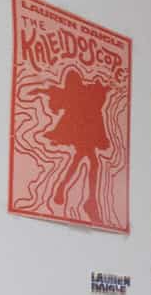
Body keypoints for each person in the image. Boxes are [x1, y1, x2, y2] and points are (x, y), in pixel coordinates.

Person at [40, 69, 115, 222]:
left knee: (82, 160)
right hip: (83, 135)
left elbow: (97, 94)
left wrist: (104, 89)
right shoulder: (72, 94)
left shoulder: (81, 92)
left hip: (88, 134)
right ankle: (88, 200)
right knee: (91, 162)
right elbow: (55, 101)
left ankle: (65, 190)